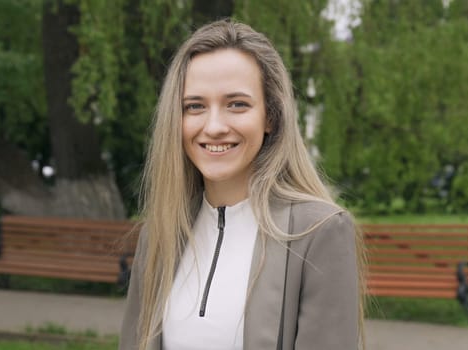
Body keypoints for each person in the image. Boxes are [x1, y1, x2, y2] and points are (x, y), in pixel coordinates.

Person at [120, 19, 365, 350]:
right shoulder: (160, 233)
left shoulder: (319, 232)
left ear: (271, 116)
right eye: (195, 106)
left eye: (237, 104)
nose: (215, 126)